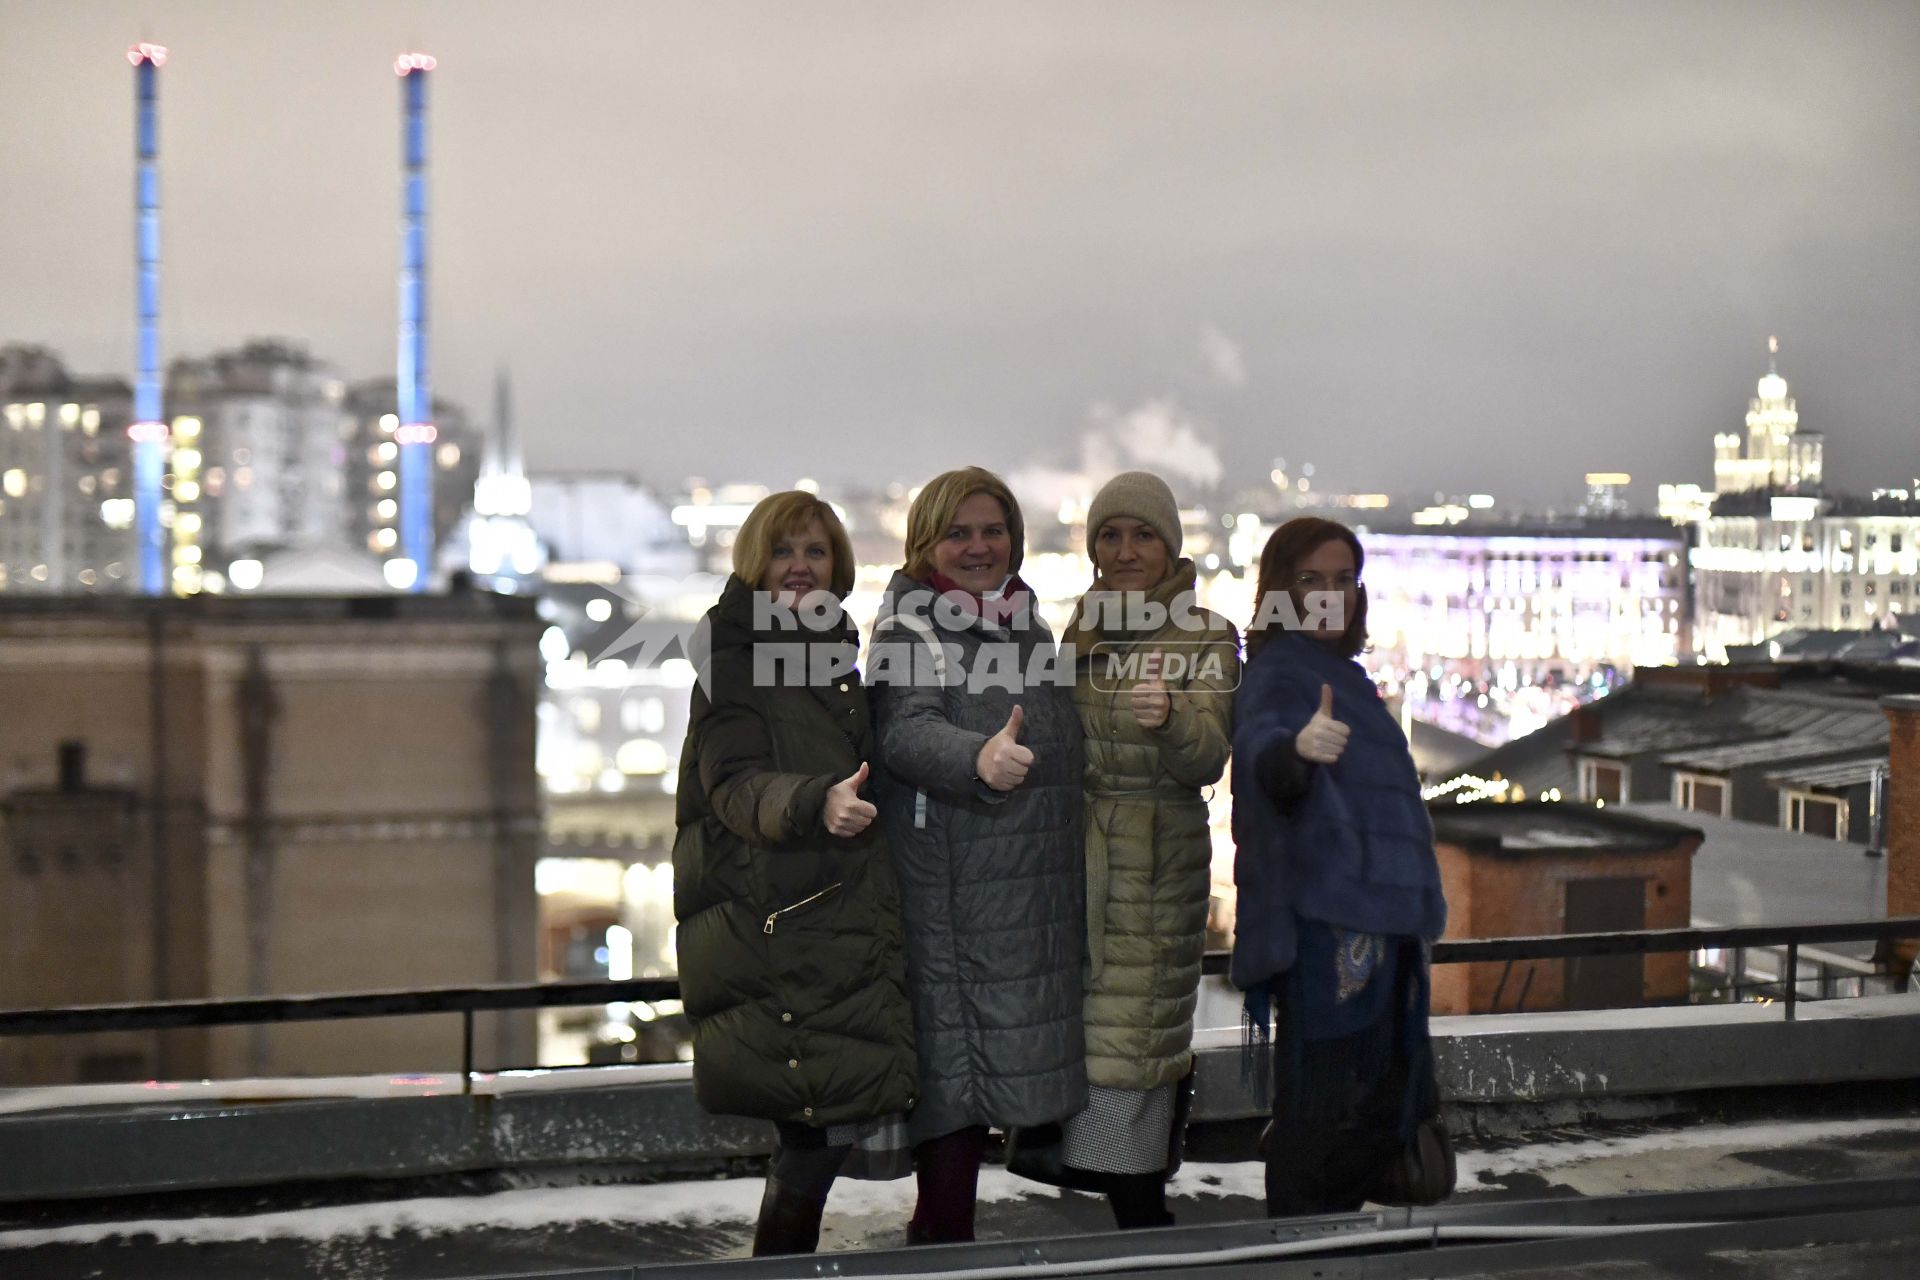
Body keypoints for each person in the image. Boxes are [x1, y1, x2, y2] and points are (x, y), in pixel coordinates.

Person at [671, 491, 917, 1256]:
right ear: (756, 565)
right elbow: (737, 785)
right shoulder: (735, 659)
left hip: (819, 914)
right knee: (813, 1135)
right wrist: (816, 802)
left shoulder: (830, 655)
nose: (801, 568)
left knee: (818, 1132)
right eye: (784, 553)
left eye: (814, 552)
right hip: (774, 922)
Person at [868, 466, 1086, 1244]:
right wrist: (976, 760)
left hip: (1024, 901)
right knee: (954, 1101)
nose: (978, 546)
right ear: (926, 542)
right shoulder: (910, 631)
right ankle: (940, 1256)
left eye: (993, 530)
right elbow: (904, 729)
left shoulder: (1026, 626)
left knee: (992, 1084)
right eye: (958, 532)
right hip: (954, 902)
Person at [1229, 517, 1448, 1217]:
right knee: (1324, 1109)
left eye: (1342, 580)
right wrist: (1295, 751)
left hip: (1382, 931)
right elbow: (1265, 753)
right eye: (1309, 580)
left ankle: (1324, 1239)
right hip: (1330, 934)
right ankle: (1302, 1245)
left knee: (1377, 1102)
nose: (1330, 594)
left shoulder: (1345, 677)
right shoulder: (1279, 673)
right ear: (1279, 593)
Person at [1045, 471, 1239, 1228]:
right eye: (1110, 535)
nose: (1125, 551)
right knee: (1099, 1049)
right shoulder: (1083, 629)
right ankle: (1137, 1228)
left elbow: (1208, 757)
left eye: (1143, 535)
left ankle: (1146, 1233)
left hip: (1155, 872)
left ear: (1171, 546)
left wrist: (1167, 718)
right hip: (1083, 866)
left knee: (1135, 1054)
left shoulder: (1208, 635)